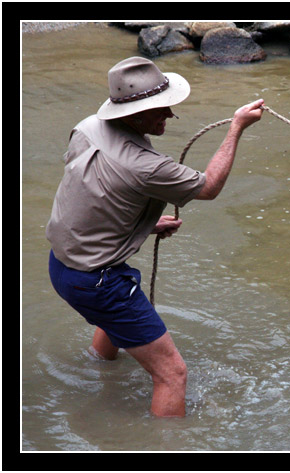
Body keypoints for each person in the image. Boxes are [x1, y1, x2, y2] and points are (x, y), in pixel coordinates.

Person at [46, 56, 263, 417]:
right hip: (99, 282)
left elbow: (91, 190)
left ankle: (98, 369)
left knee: (114, 317)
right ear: (133, 114)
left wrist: (143, 223)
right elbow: (209, 187)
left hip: (63, 267)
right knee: (173, 374)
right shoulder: (147, 166)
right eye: (160, 110)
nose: (170, 116)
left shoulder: (85, 128)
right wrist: (236, 127)